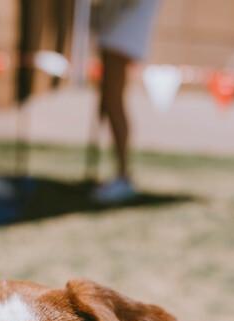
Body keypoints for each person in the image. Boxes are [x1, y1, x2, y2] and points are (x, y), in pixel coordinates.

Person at [92, 0, 161, 204]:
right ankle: (120, 174)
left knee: (114, 103)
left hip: (123, 31)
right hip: (117, 29)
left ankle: (123, 175)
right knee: (109, 101)